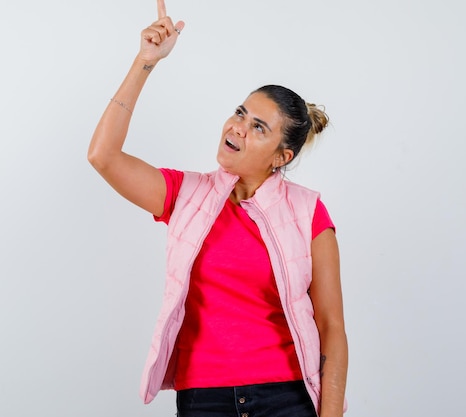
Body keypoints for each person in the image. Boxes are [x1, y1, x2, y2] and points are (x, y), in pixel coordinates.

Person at [87, 1, 348, 416]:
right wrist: (145, 61)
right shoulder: (186, 194)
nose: (237, 126)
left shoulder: (308, 211)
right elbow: (103, 156)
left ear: (280, 156)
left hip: (287, 397)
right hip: (204, 398)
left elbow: (332, 327)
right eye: (240, 113)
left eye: (257, 127)